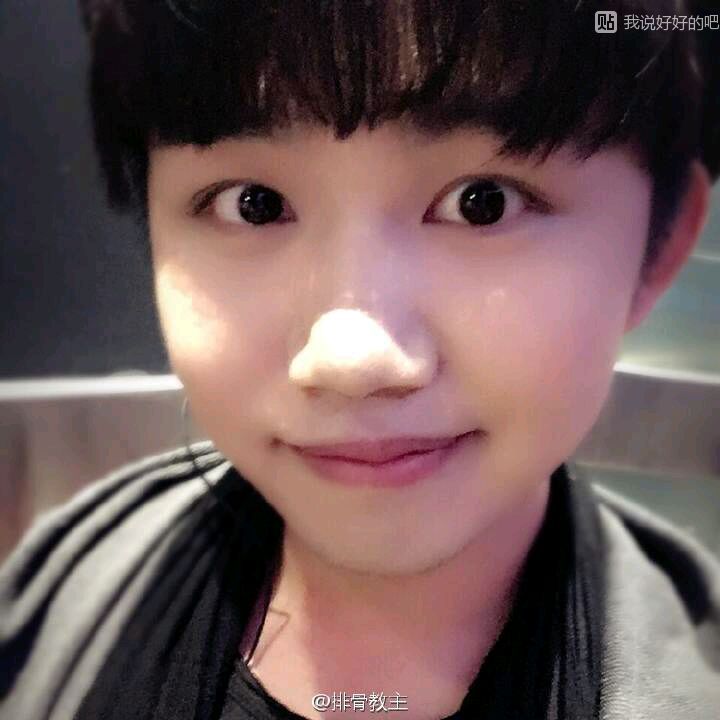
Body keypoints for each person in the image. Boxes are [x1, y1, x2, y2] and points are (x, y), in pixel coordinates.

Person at [1, 1, 719, 718]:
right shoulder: (65, 583)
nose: (351, 359)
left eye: (484, 204)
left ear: (657, 252)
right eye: (253, 204)